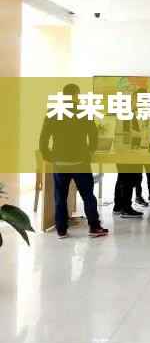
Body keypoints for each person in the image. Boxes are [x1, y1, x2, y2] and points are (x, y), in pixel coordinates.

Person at [39, 83, 109, 239]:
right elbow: (94, 136)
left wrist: (50, 156)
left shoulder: (53, 112)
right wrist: (89, 152)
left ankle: (61, 230)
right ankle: (94, 227)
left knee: (60, 196)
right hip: (80, 161)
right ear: (77, 95)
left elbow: (43, 139)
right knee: (88, 195)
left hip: (60, 162)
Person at [112, 90, 144, 218]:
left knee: (122, 178)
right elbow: (127, 134)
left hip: (125, 151)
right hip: (125, 152)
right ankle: (126, 208)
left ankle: (118, 206)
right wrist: (143, 134)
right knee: (127, 180)